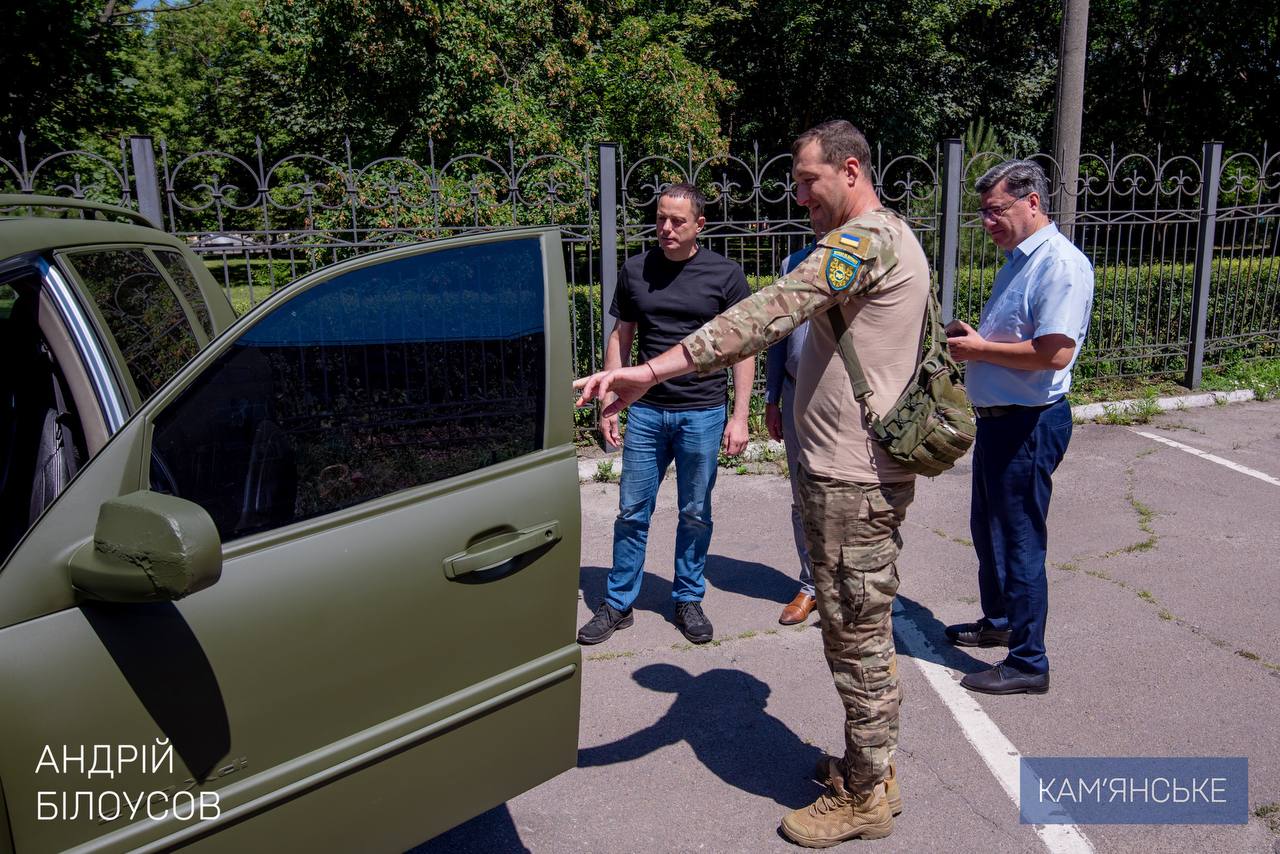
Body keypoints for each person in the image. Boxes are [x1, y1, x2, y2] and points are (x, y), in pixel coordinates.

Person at [575, 120, 930, 846]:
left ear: (851, 170)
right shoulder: (890, 235)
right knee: (855, 630)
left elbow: (767, 314)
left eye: (808, 180)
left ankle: (866, 797)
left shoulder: (864, 241)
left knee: (856, 637)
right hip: (848, 471)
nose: (799, 195)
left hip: (853, 479)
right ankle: (874, 767)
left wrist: (647, 371)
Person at [577, 183, 754, 647]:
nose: (666, 228)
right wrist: (612, 398)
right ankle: (618, 602)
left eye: (677, 220)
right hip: (648, 412)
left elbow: (743, 349)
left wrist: (740, 416)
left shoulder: (726, 274)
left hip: (702, 412)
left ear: (700, 225)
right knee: (632, 511)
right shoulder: (637, 270)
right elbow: (622, 336)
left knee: (695, 512)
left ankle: (688, 597)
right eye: (660, 219)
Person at [943, 159, 1094, 696]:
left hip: (1029, 425)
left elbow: (1054, 354)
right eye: (983, 213)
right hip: (1000, 423)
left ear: (1033, 203)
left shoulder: (1060, 266)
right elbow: (1017, 336)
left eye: (996, 210)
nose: (988, 222)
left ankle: (1029, 662)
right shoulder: (1018, 261)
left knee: (1020, 543)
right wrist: (975, 339)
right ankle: (1002, 621)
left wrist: (979, 349)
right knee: (990, 533)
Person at [764, 246, 816, 625]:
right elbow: (778, 333)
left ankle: (850, 588)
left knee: (851, 496)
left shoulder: (869, 251)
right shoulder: (794, 262)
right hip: (797, 391)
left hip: (849, 400)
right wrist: (772, 397)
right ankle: (812, 584)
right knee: (803, 496)